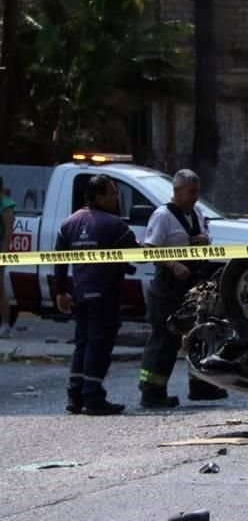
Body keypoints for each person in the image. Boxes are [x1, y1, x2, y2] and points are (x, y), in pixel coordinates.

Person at [139, 169, 228, 408]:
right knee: (164, 339)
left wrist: (202, 240)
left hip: (193, 286)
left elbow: (204, 237)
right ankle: (152, 391)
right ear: (177, 190)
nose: (195, 197)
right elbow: (149, 250)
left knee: (198, 335)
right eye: (191, 192)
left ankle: (202, 387)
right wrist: (173, 264)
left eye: (197, 192)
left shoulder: (196, 213)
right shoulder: (162, 216)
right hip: (168, 287)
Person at [54, 174, 140, 415]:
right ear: (99, 197)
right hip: (105, 293)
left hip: (80, 293)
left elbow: (58, 262)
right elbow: (135, 252)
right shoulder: (115, 226)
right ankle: (92, 396)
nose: (116, 198)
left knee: (83, 343)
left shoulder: (68, 224)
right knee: (99, 345)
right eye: (112, 193)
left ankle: (75, 394)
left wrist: (60, 292)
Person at [0, 176, 14, 339]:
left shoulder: (6, 205)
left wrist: (3, 254)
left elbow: (8, 233)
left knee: (0, 289)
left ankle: (5, 325)